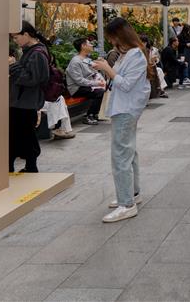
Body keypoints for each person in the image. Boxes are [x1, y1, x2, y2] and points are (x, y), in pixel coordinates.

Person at [92, 17, 152, 223]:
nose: (111, 42)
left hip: (126, 108)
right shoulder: (128, 54)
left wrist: (107, 69)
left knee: (120, 156)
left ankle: (126, 203)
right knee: (128, 152)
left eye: (112, 38)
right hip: (124, 107)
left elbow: (125, 84)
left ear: (120, 36)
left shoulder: (135, 55)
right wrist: (106, 68)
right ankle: (132, 194)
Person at [9, 21, 50, 173]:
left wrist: (13, 65)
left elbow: (33, 79)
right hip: (22, 101)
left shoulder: (37, 53)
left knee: (23, 135)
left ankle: (30, 167)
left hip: (26, 102)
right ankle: (26, 166)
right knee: (20, 135)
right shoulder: (30, 51)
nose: (15, 41)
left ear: (26, 34)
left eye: (15, 37)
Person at [64, 38, 105, 125]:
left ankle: (95, 114)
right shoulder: (75, 61)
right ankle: (89, 116)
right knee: (99, 92)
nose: (91, 45)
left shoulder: (86, 59)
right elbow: (79, 81)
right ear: (83, 46)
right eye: (89, 43)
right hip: (77, 88)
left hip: (86, 86)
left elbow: (93, 73)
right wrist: (97, 83)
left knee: (104, 89)